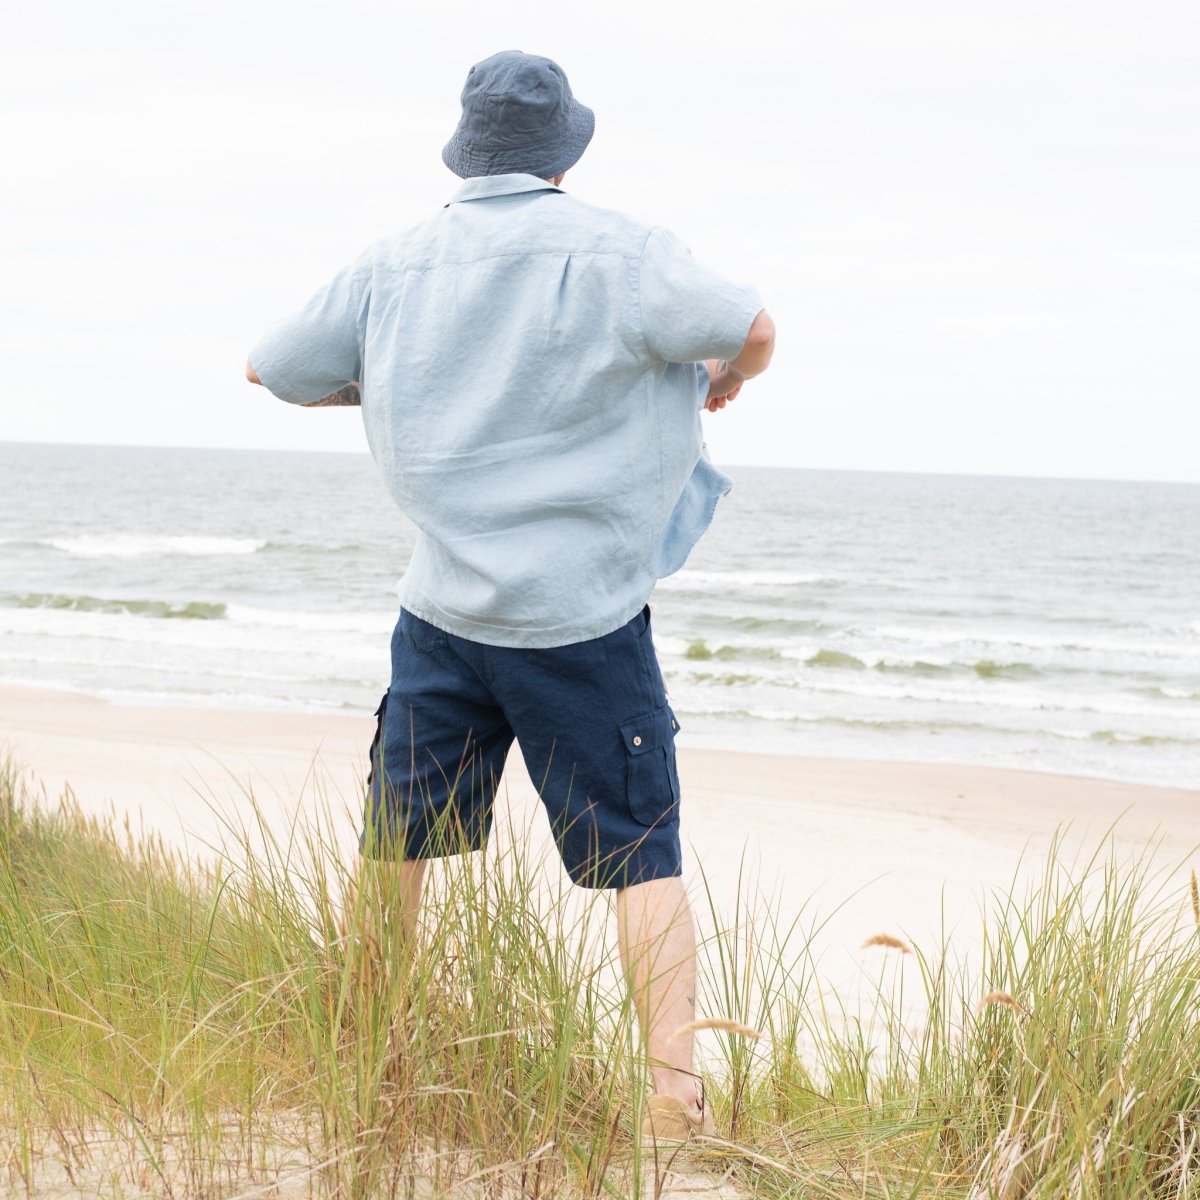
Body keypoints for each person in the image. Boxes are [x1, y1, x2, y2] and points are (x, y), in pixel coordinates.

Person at [246, 49, 775, 1144]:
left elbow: (275, 370)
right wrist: (723, 378)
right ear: (563, 152)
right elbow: (754, 330)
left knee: (397, 845)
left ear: (467, 150)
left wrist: (375, 384)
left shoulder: (394, 263)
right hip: (581, 620)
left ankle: (368, 1050)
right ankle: (671, 1094)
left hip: (442, 613)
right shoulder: (623, 250)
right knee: (641, 855)